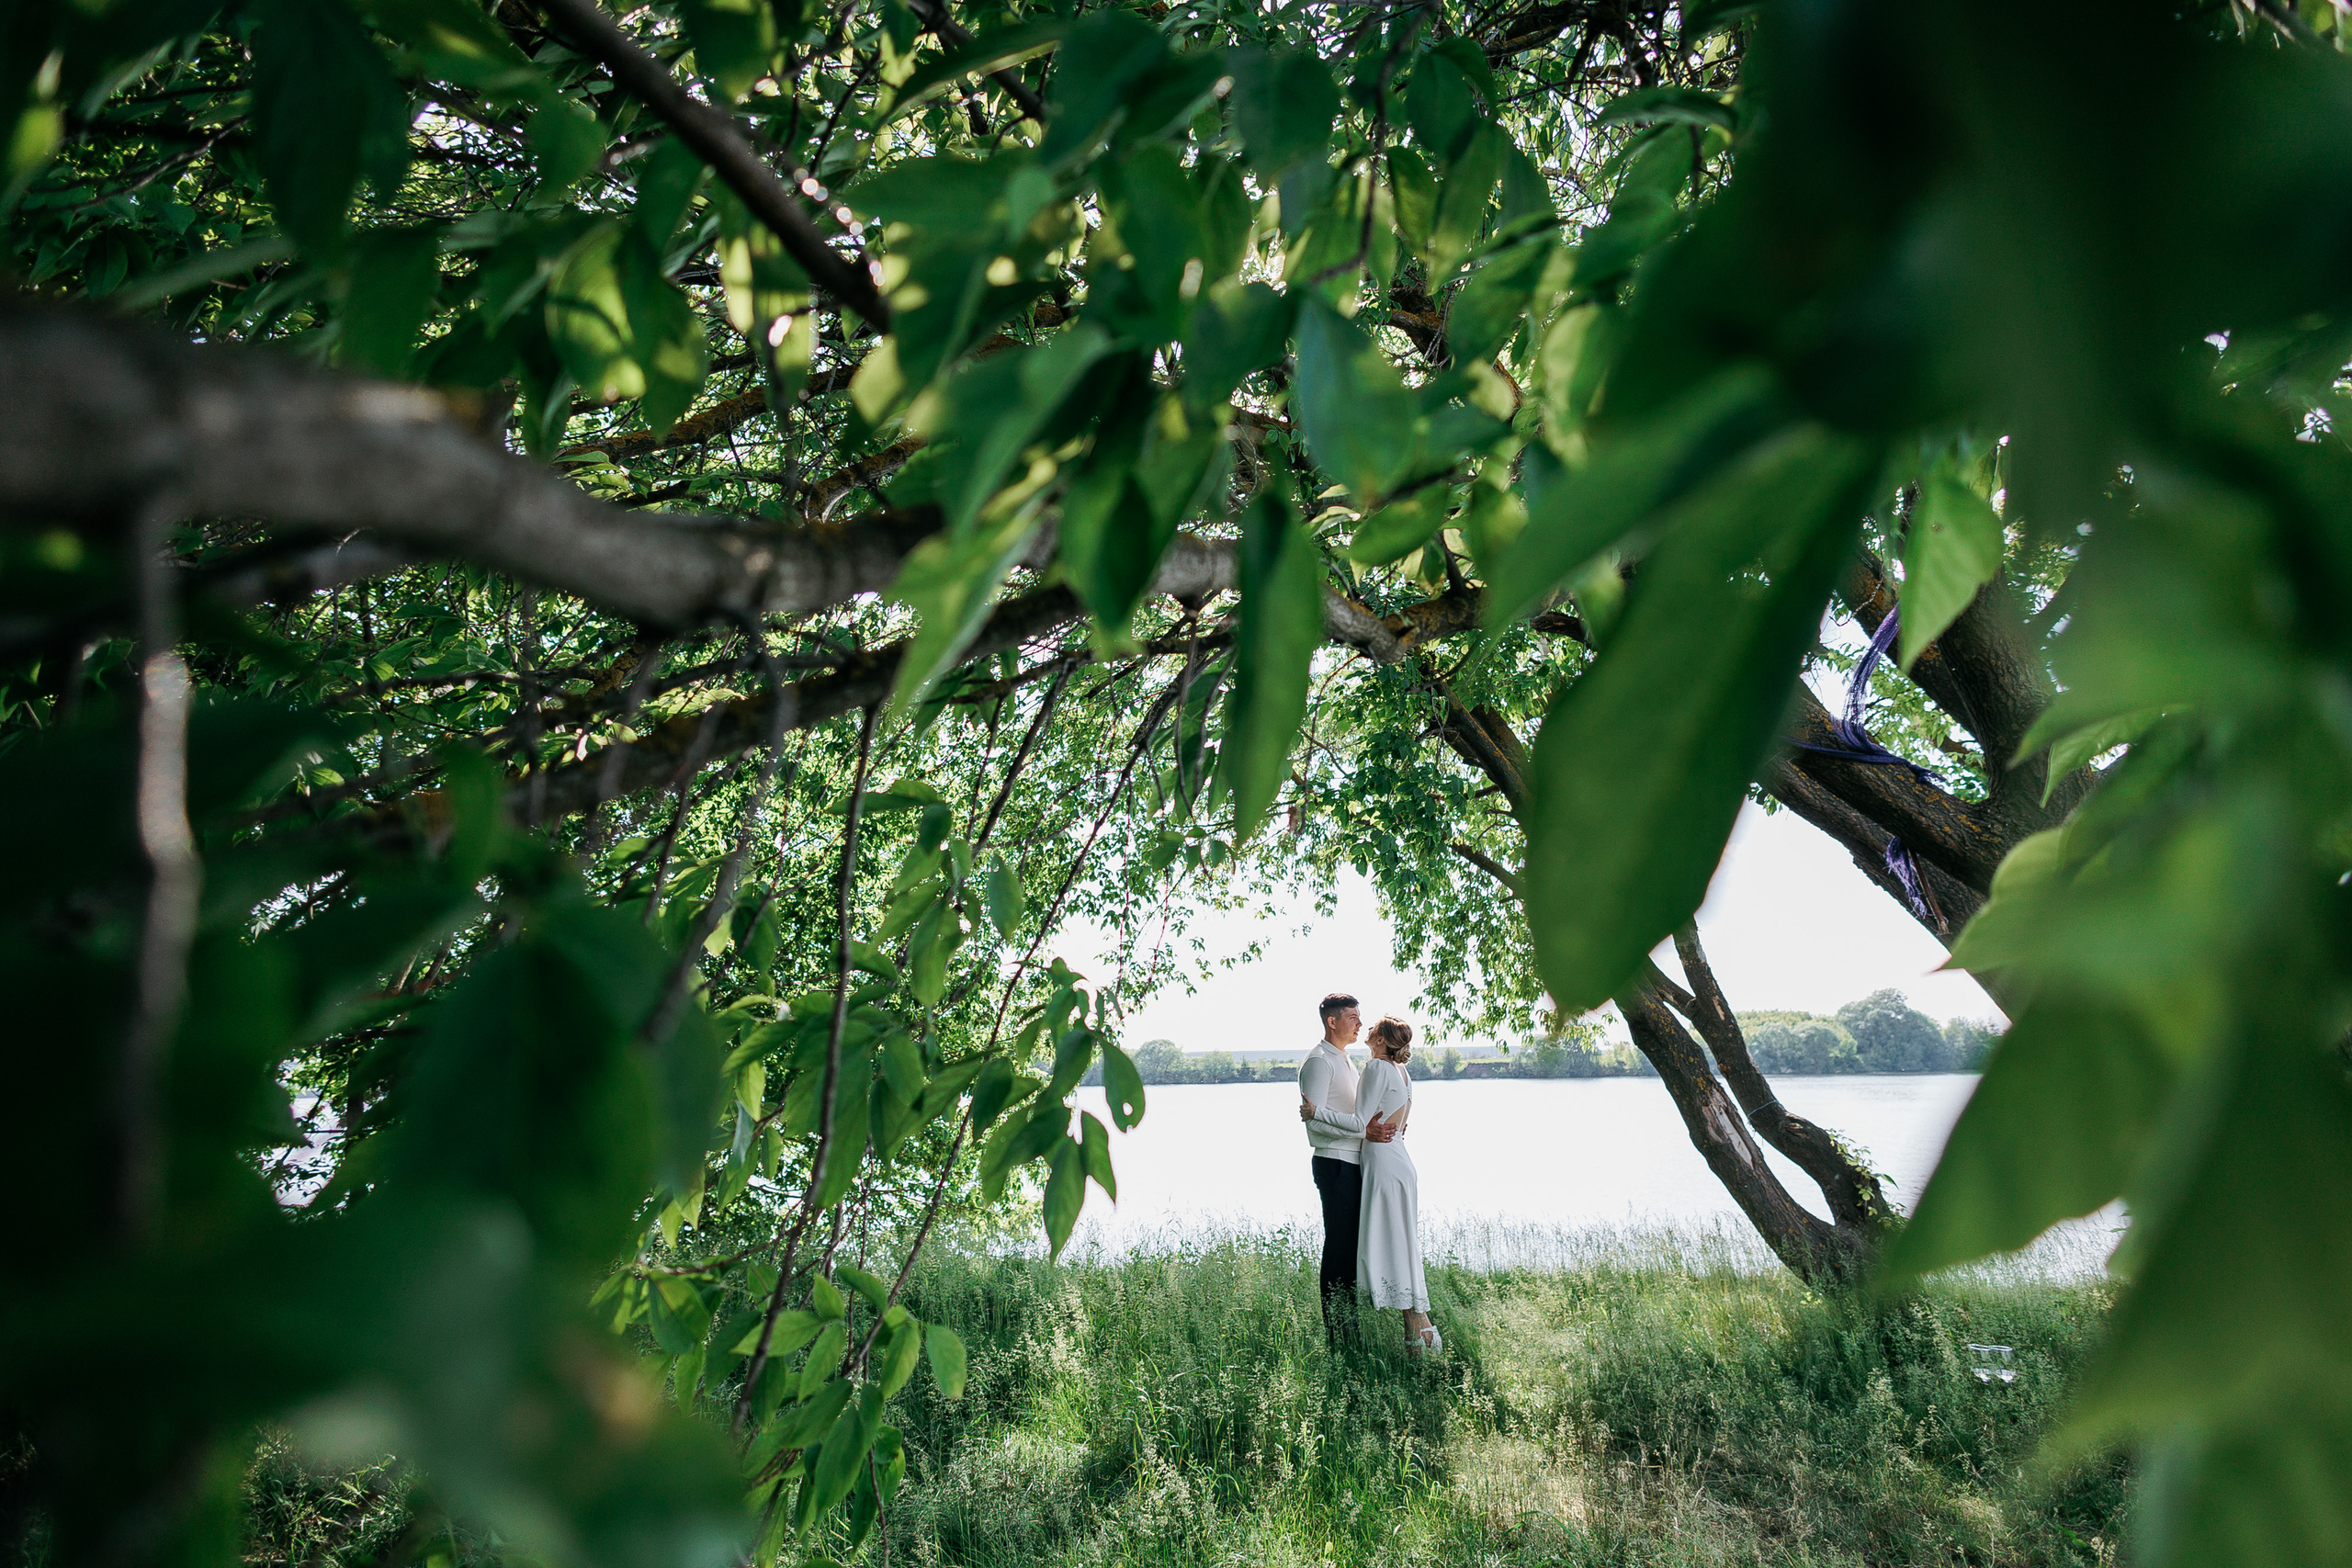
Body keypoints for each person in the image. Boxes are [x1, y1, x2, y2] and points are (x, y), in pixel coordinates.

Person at [1301, 1015, 1438, 1352]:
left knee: (1393, 1243)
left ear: (1381, 1040)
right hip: (1400, 1160)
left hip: (1382, 1162)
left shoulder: (1377, 1069)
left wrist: (1316, 1113)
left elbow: (1361, 1121)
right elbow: (1398, 1123)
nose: (1366, 1026)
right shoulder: (1402, 1071)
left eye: (1372, 1026)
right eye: (1357, 1019)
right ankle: (1418, 1330)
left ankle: (1419, 1333)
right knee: (1403, 1243)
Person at [1295, 992, 1396, 1337]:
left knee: (1351, 1247)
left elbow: (1355, 1116)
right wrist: (1362, 1130)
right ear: (1332, 1021)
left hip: (1352, 1163)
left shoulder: (1345, 1060)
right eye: (1352, 1016)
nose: (1359, 1023)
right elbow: (1315, 1125)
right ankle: (1338, 1332)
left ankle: (1348, 1324)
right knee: (1338, 1247)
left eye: (1359, 1016)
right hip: (1334, 1165)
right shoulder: (1319, 1062)